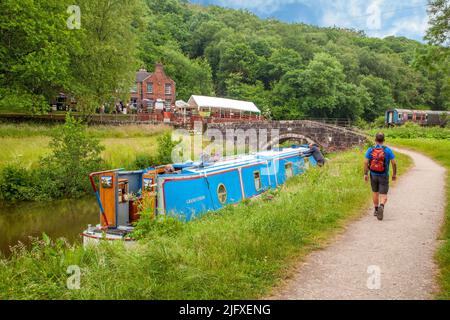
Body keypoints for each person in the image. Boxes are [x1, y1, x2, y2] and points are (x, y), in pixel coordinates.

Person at [364, 132, 397, 221]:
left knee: (375, 192)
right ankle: (381, 205)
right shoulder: (388, 150)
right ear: (384, 140)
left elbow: (365, 162)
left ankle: (376, 210)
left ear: (375, 140)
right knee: (383, 194)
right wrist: (394, 174)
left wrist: (365, 174)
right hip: (384, 175)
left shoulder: (370, 150)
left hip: (373, 174)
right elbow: (394, 163)